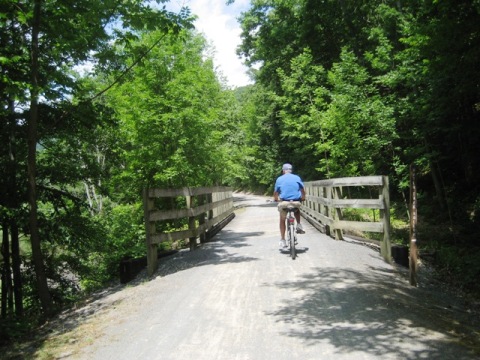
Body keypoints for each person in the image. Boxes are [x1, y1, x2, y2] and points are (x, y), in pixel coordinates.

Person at [273, 163, 306, 248]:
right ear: (291, 170)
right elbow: (302, 190)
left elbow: (276, 192)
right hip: (295, 202)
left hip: (284, 202)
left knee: (282, 219)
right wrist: (303, 197)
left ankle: (283, 240)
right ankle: (298, 224)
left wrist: (276, 199)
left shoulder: (279, 179)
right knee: (297, 208)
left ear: (283, 171)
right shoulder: (297, 177)